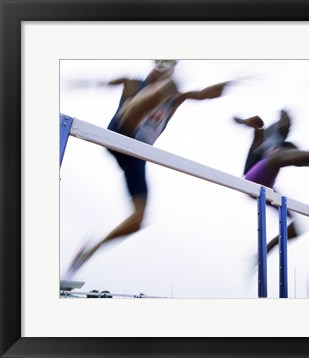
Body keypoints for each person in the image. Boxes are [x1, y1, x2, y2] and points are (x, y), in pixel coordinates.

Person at [66, 60, 232, 276]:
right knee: (153, 96)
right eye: (162, 65)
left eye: (169, 66)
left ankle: (90, 251)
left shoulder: (175, 98)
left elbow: (204, 94)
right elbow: (101, 84)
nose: (165, 71)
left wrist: (235, 82)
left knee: (139, 219)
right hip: (121, 132)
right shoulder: (133, 83)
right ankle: (152, 94)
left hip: (136, 155)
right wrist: (76, 82)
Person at [235, 110, 309, 254]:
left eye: (290, 124)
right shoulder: (265, 137)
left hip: (267, 188)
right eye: (285, 121)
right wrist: (246, 122)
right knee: (276, 157)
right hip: (251, 180)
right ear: (278, 123)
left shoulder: (289, 146)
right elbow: (238, 121)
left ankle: (268, 248)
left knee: (296, 228)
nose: (288, 126)